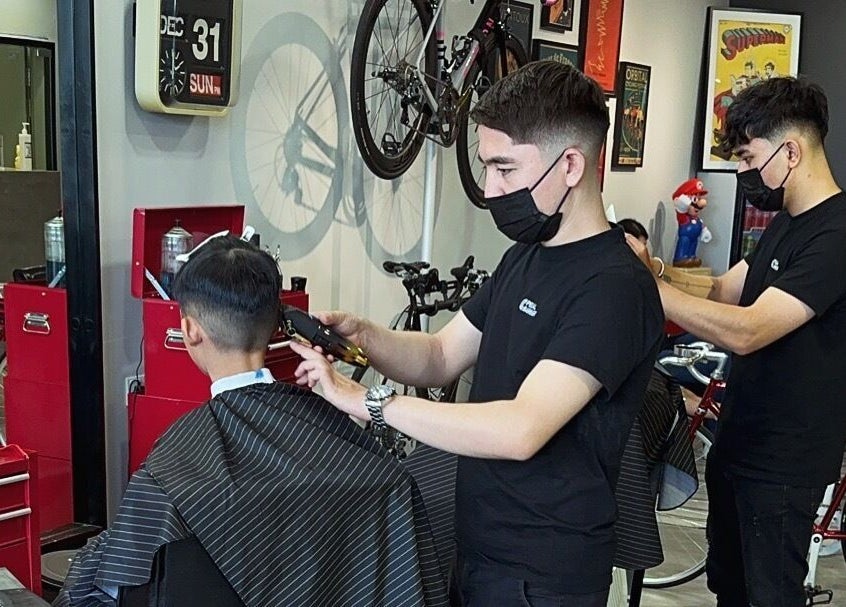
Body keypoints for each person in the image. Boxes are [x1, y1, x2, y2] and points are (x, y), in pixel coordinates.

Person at [291, 60, 664, 606]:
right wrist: (365, 335)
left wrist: (368, 402)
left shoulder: (614, 289)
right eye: (486, 167)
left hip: (543, 574)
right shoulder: (523, 259)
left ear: (571, 166)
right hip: (479, 549)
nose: (490, 189)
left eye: (506, 170)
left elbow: (521, 428)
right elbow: (441, 355)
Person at [55, 236, 449, 607]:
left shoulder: (173, 471)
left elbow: (118, 575)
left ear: (190, 329)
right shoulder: (350, 450)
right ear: (277, 324)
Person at [628, 76, 846, 606]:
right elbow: (727, 289)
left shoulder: (836, 234)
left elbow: (749, 329)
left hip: (784, 461)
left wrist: (649, 289)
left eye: (749, 158)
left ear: (790, 151)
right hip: (741, 442)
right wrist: (654, 266)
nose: (744, 173)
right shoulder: (789, 223)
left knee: (769, 594)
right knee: (729, 584)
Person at [671, 178, 713, 267]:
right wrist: (683, 201)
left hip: (694, 238)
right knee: (684, 242)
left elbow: (701, 225)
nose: (699, 204)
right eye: (695, 199)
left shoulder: (697, 219)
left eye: (699, 198)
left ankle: (692, 257)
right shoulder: (683, 217)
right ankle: (680, 258)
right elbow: (680, 206)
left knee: (693, 245)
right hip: (685, 238)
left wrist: (705, 231)